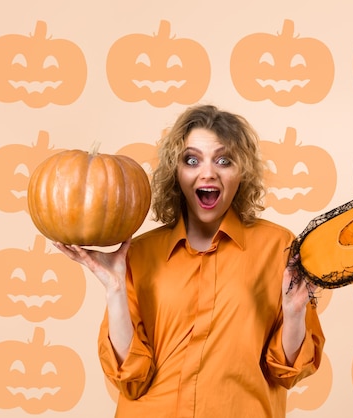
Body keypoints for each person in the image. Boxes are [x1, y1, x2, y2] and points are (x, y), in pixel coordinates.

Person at [55, 104, 325, 418]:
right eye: (191, 160)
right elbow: (131, 380)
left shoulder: (278, 247)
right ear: (176, 172)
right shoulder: (139, 254)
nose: (207, 172)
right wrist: (115, 288)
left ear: (243, 173)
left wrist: (294, 315)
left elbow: (286, 374)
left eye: (224, 160)